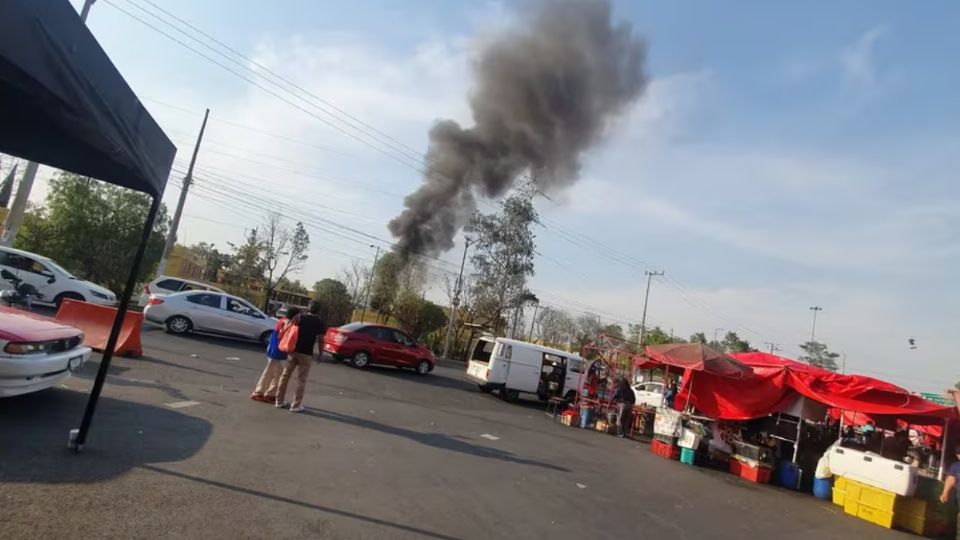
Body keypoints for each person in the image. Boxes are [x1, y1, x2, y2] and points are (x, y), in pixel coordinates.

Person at [275, 300, 326, 413]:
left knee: (285, 376)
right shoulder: (320, 323)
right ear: (319, 311)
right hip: (306, 353)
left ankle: (279, 401)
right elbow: (321, 340)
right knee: (301, 380)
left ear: (308, 308)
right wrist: (320, 354)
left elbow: (288, 327)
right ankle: (295, 405)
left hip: (293, 350)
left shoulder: (299, 317)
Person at [250, 307, 300, 403]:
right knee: (271, 373)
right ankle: (259, 392)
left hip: (274, 351)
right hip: (277, 352)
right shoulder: (286, 323)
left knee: (277, 374)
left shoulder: (282, 321)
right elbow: (282, 335)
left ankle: (270, 393)